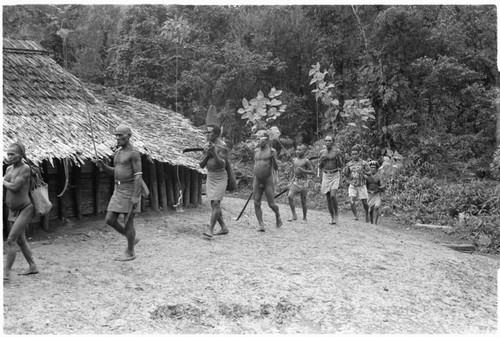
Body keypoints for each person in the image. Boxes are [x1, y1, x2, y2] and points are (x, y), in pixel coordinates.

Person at [96, 125, 142, 261]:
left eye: (120, 135)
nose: (117, 138)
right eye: (116, 135)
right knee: (109, 219)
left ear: (128, 136)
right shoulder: (118, 152)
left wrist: (135, 195)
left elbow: (138, 176)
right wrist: (104, 167)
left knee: (128, 222)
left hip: (129, 189)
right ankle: (131, 238)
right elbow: (116, 171)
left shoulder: (134, 153)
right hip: (118, 190)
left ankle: (130, 252)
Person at [3, 142, 39, 281]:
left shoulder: (25, 169)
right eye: (8, 153)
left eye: (12, 154)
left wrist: (3, 181)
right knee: (21, 240)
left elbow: (15, 187)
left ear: (20, 156)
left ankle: (5, 275)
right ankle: (33, 266)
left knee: (11, 240)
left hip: (25, 208)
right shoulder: (8, 169)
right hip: (12, 210)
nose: (9, 156)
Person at [199, 124, 230, 238]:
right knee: (213, 204)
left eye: (210, 132)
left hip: (220, 176)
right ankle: (224, 227)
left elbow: (222, 163)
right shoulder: (207, 145)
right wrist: (208, 154)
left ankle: (210, 229)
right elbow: (201, 165)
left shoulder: (222, 146)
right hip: (210, 176)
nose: (207, 134)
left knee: (216, 203)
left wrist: (214, 153)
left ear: (216, 134)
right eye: (206, 132)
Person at [253, 130, 283, 232]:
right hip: (257, 180)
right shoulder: (256, 151)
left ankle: (277, 215)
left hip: (267, 180)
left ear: (265, 140)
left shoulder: (272, 151)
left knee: (271, 204)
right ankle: (261, 224)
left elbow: (276, 167)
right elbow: (256, 165)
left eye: (259, 139)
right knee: (256, 202)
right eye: (257, 139)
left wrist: (272, 158)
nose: (258, 141)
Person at [319, 135, 344, 224]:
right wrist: (322, 160)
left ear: (333, 142)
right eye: (326, 141)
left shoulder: (336, 152)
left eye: (330, 141)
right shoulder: (322, 152)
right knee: (328, 197)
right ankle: (332, 217)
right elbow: (320, 166)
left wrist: (338, 159)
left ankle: (336, 214)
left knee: (333, 196)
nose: (328, 142)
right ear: (324, 142)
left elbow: (340, 165)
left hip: (335, 174)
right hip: (326, 175)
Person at [343, 145, 371, 222]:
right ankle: (355, 216)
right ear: (351, 155)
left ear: (359, 154)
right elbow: (345, 173)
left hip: (362, 185)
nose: (354, 156)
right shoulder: (349, 164)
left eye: (356, 154)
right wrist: (348, 180)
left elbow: (369, 172)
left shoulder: (364, 163)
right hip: (353, 185)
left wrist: (364, 173)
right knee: (351, 201)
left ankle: (367, 214)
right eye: (353, 154)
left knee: (364, 202)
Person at [287, 144, 315, 221]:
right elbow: (292, 172)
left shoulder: (306, 161)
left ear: (304, 151)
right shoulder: (294, 160)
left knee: (303, 200)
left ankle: (304, 217)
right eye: (297, 149)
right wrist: (290, 181)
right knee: (290, 196)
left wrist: (304, 171)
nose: (298, 151)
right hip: (295, 181)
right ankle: (294, 215)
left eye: (300, 150)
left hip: (304, 182)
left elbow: (313, 172)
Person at [366, 160, 384, 225]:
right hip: (369, 194)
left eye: (374, 167)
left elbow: (381, 186)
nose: (373, 169)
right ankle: (371, 223)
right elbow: (364, 186)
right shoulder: (367, 177)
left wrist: (382, 187)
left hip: (376, 194)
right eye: (371, 167)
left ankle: (375, 223)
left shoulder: (379, 177)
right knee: (370, 210)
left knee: (376, 207)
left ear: (376, 168)